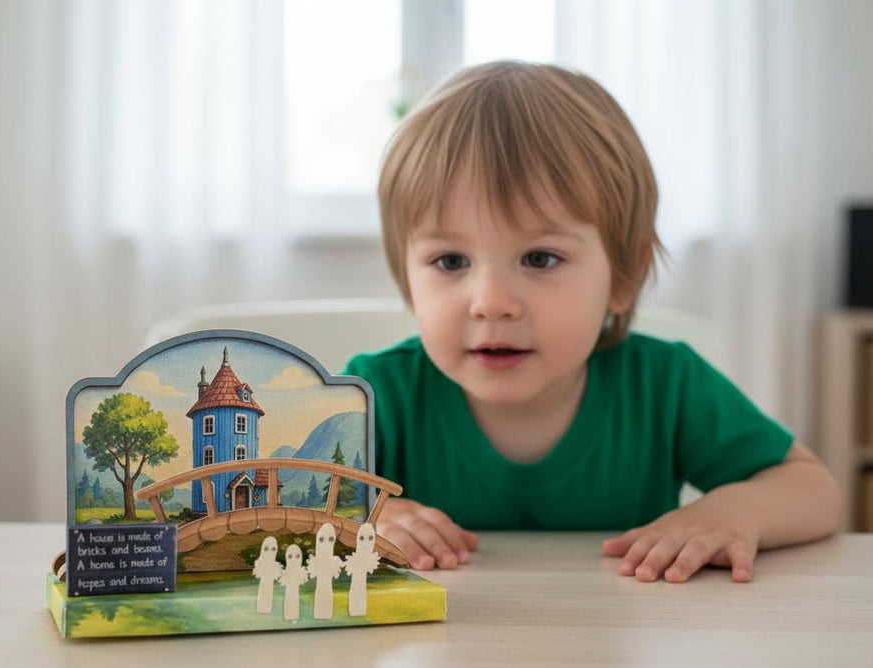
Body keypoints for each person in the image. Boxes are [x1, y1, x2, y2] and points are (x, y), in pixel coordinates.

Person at [342, 60, 841, 583]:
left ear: (624, 276)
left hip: (616, 652)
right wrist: (361, 517)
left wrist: (739, 512)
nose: (490, 303)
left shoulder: (665, 383)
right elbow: (264, 505)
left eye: (539, 259)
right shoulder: (374, 392)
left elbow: (812, 489)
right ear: (407, 278)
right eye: (450, 262)